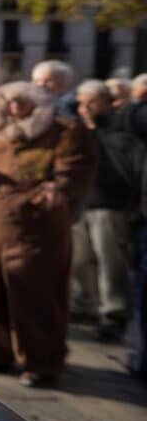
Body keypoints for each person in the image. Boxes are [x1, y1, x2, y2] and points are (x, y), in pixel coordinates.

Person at [0, 81, 96, 388]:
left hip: (39, 227)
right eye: (9, 102)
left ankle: (41, 363)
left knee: (38, 296)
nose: (15, 107)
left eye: (22, 102)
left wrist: (57, 188)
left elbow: (76, 168)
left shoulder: (63, 130)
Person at [69, 81, 144, 341]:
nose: (85, 108)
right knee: (79, 258)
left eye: (91, 102)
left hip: (110, 205)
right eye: (81, 103)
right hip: (81, 204)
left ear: (105, 103)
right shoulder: (77, 131)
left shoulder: (120, 132)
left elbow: (130, 168)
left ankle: (113, 312)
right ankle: (83, 304)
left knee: (110, 261)